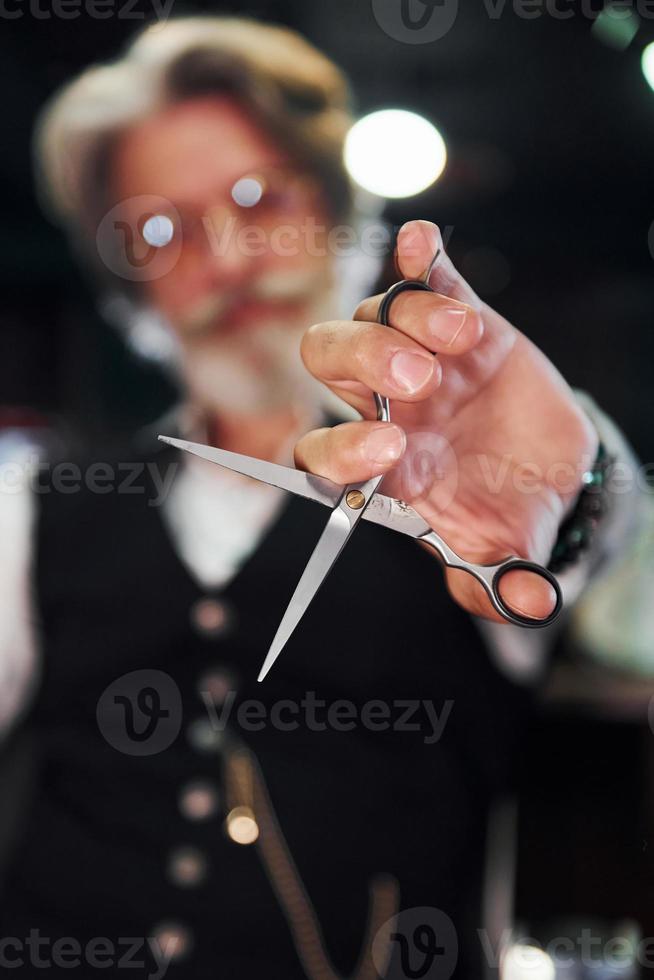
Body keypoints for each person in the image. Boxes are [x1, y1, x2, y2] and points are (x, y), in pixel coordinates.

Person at [0, 16, 645, 980]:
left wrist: (576, 481)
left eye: (257, 199)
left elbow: (628, 595)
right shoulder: (31, 509)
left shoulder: (458, 488)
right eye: (160, 229)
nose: (225, 259)